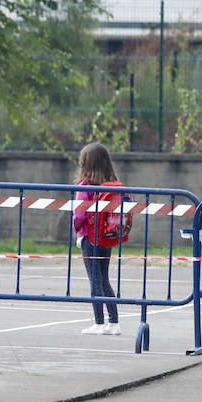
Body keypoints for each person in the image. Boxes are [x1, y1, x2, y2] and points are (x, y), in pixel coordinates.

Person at [71, 142, 123, 336]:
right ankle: (114, 322)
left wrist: (77, 231)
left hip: (89, 237)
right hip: (106, 236)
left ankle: (99, 323)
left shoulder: (85, 186)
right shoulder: (111, 185)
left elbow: (79, 214)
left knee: (94, 280)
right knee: (104, 279)